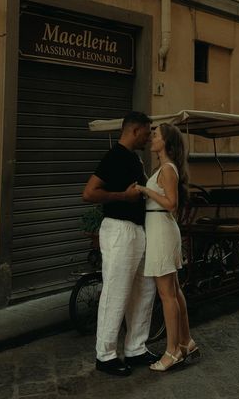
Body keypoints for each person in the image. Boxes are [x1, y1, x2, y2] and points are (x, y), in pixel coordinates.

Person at [82, 111, 158, 377]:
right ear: (135, 130)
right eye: (147, 132)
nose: (149, 138)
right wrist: (123, 197)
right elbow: (89, 192)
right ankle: (105, 355)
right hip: (119, 230)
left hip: (138, 230)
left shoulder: (134, 159)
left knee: (144, 290)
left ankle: (136, 347)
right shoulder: (114, 156)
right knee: (116, 292)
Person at [135, 123, 198, 372]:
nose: (152, 138)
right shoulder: (165, 168)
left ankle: (172, 352)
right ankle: (186, 341)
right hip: (161, 229)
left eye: (156, 135)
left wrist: (143, 190)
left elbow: (171, 203)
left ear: (166, 143)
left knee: (167, 294)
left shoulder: (167, 169)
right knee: (174, 290)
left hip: (162, 229)